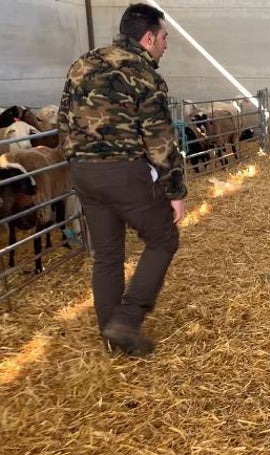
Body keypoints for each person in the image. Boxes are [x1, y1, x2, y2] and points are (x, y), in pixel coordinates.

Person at [58, 3, 187, 356]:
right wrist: (175, 191)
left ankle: (111, 338)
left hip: (84, 172)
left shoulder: (83, 64)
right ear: (148, 37)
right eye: (163, 37)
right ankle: (127, 320)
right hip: (125, 171)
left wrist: (77, 161)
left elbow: (63, 121)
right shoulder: (146, 76)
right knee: (163, 238)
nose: (165, 45)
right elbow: (159, 140)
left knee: (108, 254)